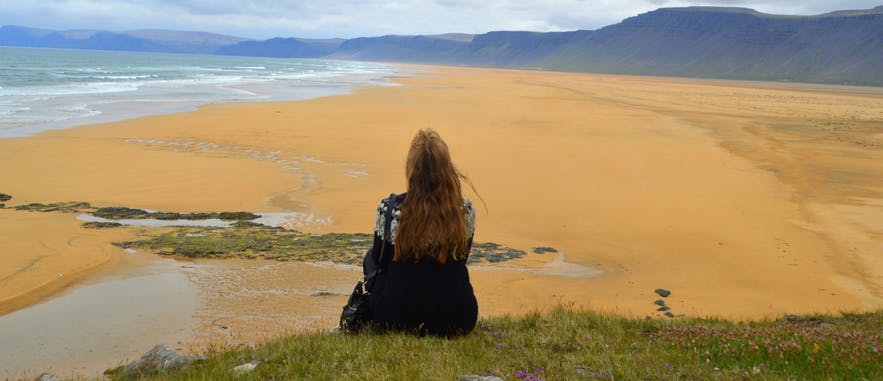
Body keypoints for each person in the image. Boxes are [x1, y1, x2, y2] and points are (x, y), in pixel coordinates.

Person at [364, 129, 478, 336]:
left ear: (411, 170)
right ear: (447, 169)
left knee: (369, 259)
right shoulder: (464, 210)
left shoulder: (388, 210)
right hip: (457, 316)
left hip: (395, 317)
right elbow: (462, 257)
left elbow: (380, 261)